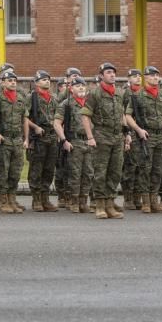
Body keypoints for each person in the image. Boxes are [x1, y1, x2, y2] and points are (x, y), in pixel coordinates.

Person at [81, 62, 127, 219]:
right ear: (101, 75)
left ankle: (110, 204)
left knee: (115, 172)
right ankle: (99, 205)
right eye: (108, 72)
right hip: (101, 136)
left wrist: (126, 133)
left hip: (117, 137)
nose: (112, 75)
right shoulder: (95, 93)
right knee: (101, 172)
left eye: (113, 72)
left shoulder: (120, 93)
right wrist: (90, 137)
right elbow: (85, 116)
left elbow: (122, 115)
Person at [124, 65, 162, 213]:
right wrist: (138, 130)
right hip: (146, 136)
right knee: (145, 168)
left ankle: (154, 201)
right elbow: (128, 115)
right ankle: (145, 202)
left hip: (161, 136)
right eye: (152, 75)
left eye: (157, 75)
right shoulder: (137, 95)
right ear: (145, 77)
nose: (155, 78)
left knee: (158, 169)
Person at [0, 69, 27, 214]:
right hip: (4, 139)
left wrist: (26, 138)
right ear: (3, 83)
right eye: (9, 81)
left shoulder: (20, 99)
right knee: (3, 171)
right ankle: (2, 201)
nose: (13, 83)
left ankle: (12, 199)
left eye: (14, 81)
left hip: (17, 140)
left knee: (16, 171)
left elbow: (25, 119)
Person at [53, 76, 93, 214]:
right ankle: (73, 201)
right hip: (74, 142)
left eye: (83, 85)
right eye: (77, 86)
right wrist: (64, 140)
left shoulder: (89, 103)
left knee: (88, 173)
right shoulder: (66, 104)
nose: (81, 87)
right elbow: (57, 123)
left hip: (89, 141)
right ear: (71, 89)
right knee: (75, 173)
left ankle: (83, 202)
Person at [26, 70, 59, 212]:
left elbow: (58, 117)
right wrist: (35, 127)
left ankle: (45, 198)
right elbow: (24, 118)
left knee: (49, 169)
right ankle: (36, 199)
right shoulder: (31, 98)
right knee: (36, 169)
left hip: (52, 137)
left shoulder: (54, 98)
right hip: (38, 137)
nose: (47, 81)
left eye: (48, 79)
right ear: (36, 82)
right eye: (43, 79)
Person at [120, 68, 143, 210]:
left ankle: (137, 197)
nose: (138, 78)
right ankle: (128, 198)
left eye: (139, 76)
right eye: (134, 76)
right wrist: (126, 133)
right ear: (128, 79)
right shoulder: (125, 94)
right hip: (130, 132)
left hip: (142, 132)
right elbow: (122, 114)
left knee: (141, 166)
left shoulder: (142, 93)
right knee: (130, 166)